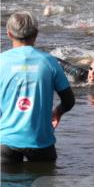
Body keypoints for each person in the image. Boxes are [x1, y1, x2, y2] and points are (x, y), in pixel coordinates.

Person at [1, 12, 75, 164]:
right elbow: (69, 101)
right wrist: (57, 112)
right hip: (41, 142)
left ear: (9, 34)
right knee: (43, 186)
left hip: (6, 143)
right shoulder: (50, 62)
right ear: (36, 34)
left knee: (9, 186)